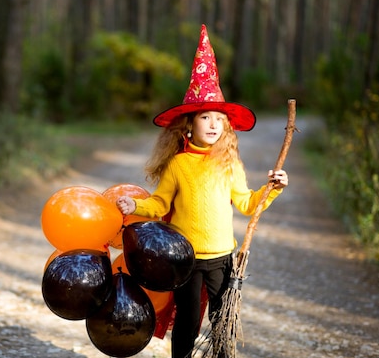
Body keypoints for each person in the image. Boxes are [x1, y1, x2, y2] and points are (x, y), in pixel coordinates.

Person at [115, 25, 288, 358]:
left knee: (222, 317)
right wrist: (133, 204)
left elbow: (248, 204)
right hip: (186, 259)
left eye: (218, 119)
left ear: (226, 126)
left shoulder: (229, 163)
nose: (212, 125)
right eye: (205, 117)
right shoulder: (179, 165)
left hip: (222, 258)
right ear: (189, 124)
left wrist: (272, 188)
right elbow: (159, 203)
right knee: (189, 320)